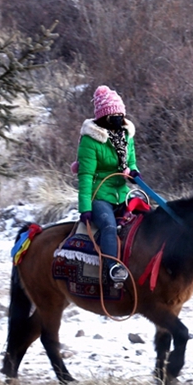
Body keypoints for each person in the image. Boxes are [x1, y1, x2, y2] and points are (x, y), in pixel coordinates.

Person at [76, 85, 140, 284]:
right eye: (114, 116)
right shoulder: (90, 141)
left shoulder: (127, 136)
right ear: (104, 119)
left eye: (121, 115)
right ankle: (112, 268)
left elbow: (131, 161)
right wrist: (85, 207)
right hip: (99, 195)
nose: (119, 120)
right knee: (109, 226)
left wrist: (133, 171)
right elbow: (85, 176)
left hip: (122, 193)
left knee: (149, 217)